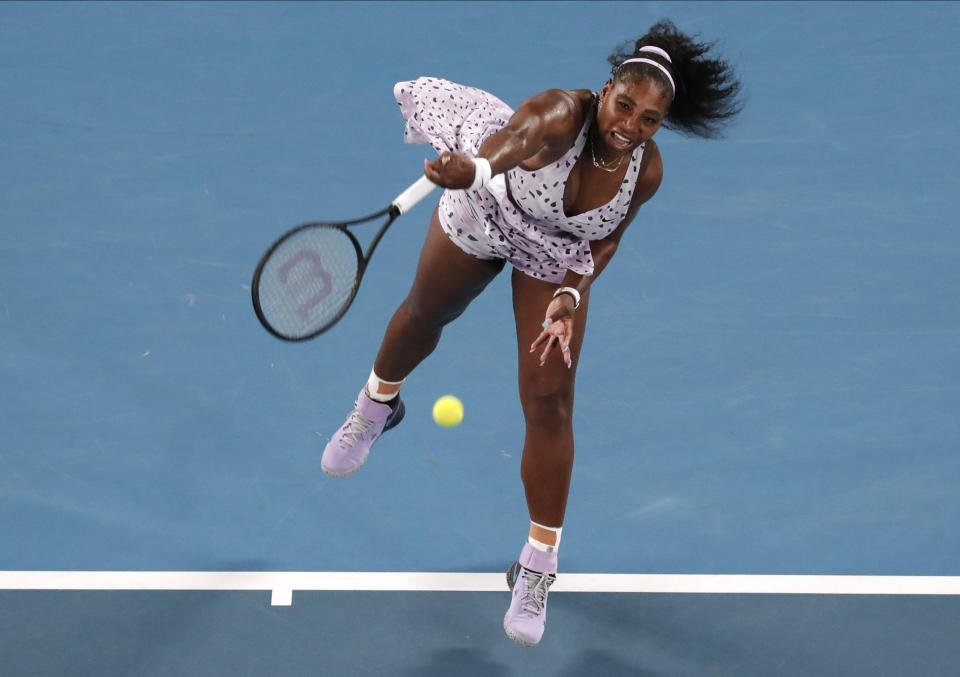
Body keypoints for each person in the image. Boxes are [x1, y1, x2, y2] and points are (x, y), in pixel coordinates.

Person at [321, 19, 742, 647]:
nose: (630, 124)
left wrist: (571, 294)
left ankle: (538, 565)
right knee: (424, 316)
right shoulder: (558, 113)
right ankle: (376, 405)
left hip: (555, 253)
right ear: (604, 91)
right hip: (491, 206)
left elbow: (605, 238)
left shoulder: (644, 172)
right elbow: (513, 140)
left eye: (648, 120)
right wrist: (475, 166)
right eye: (624, 105)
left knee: (551, 401)